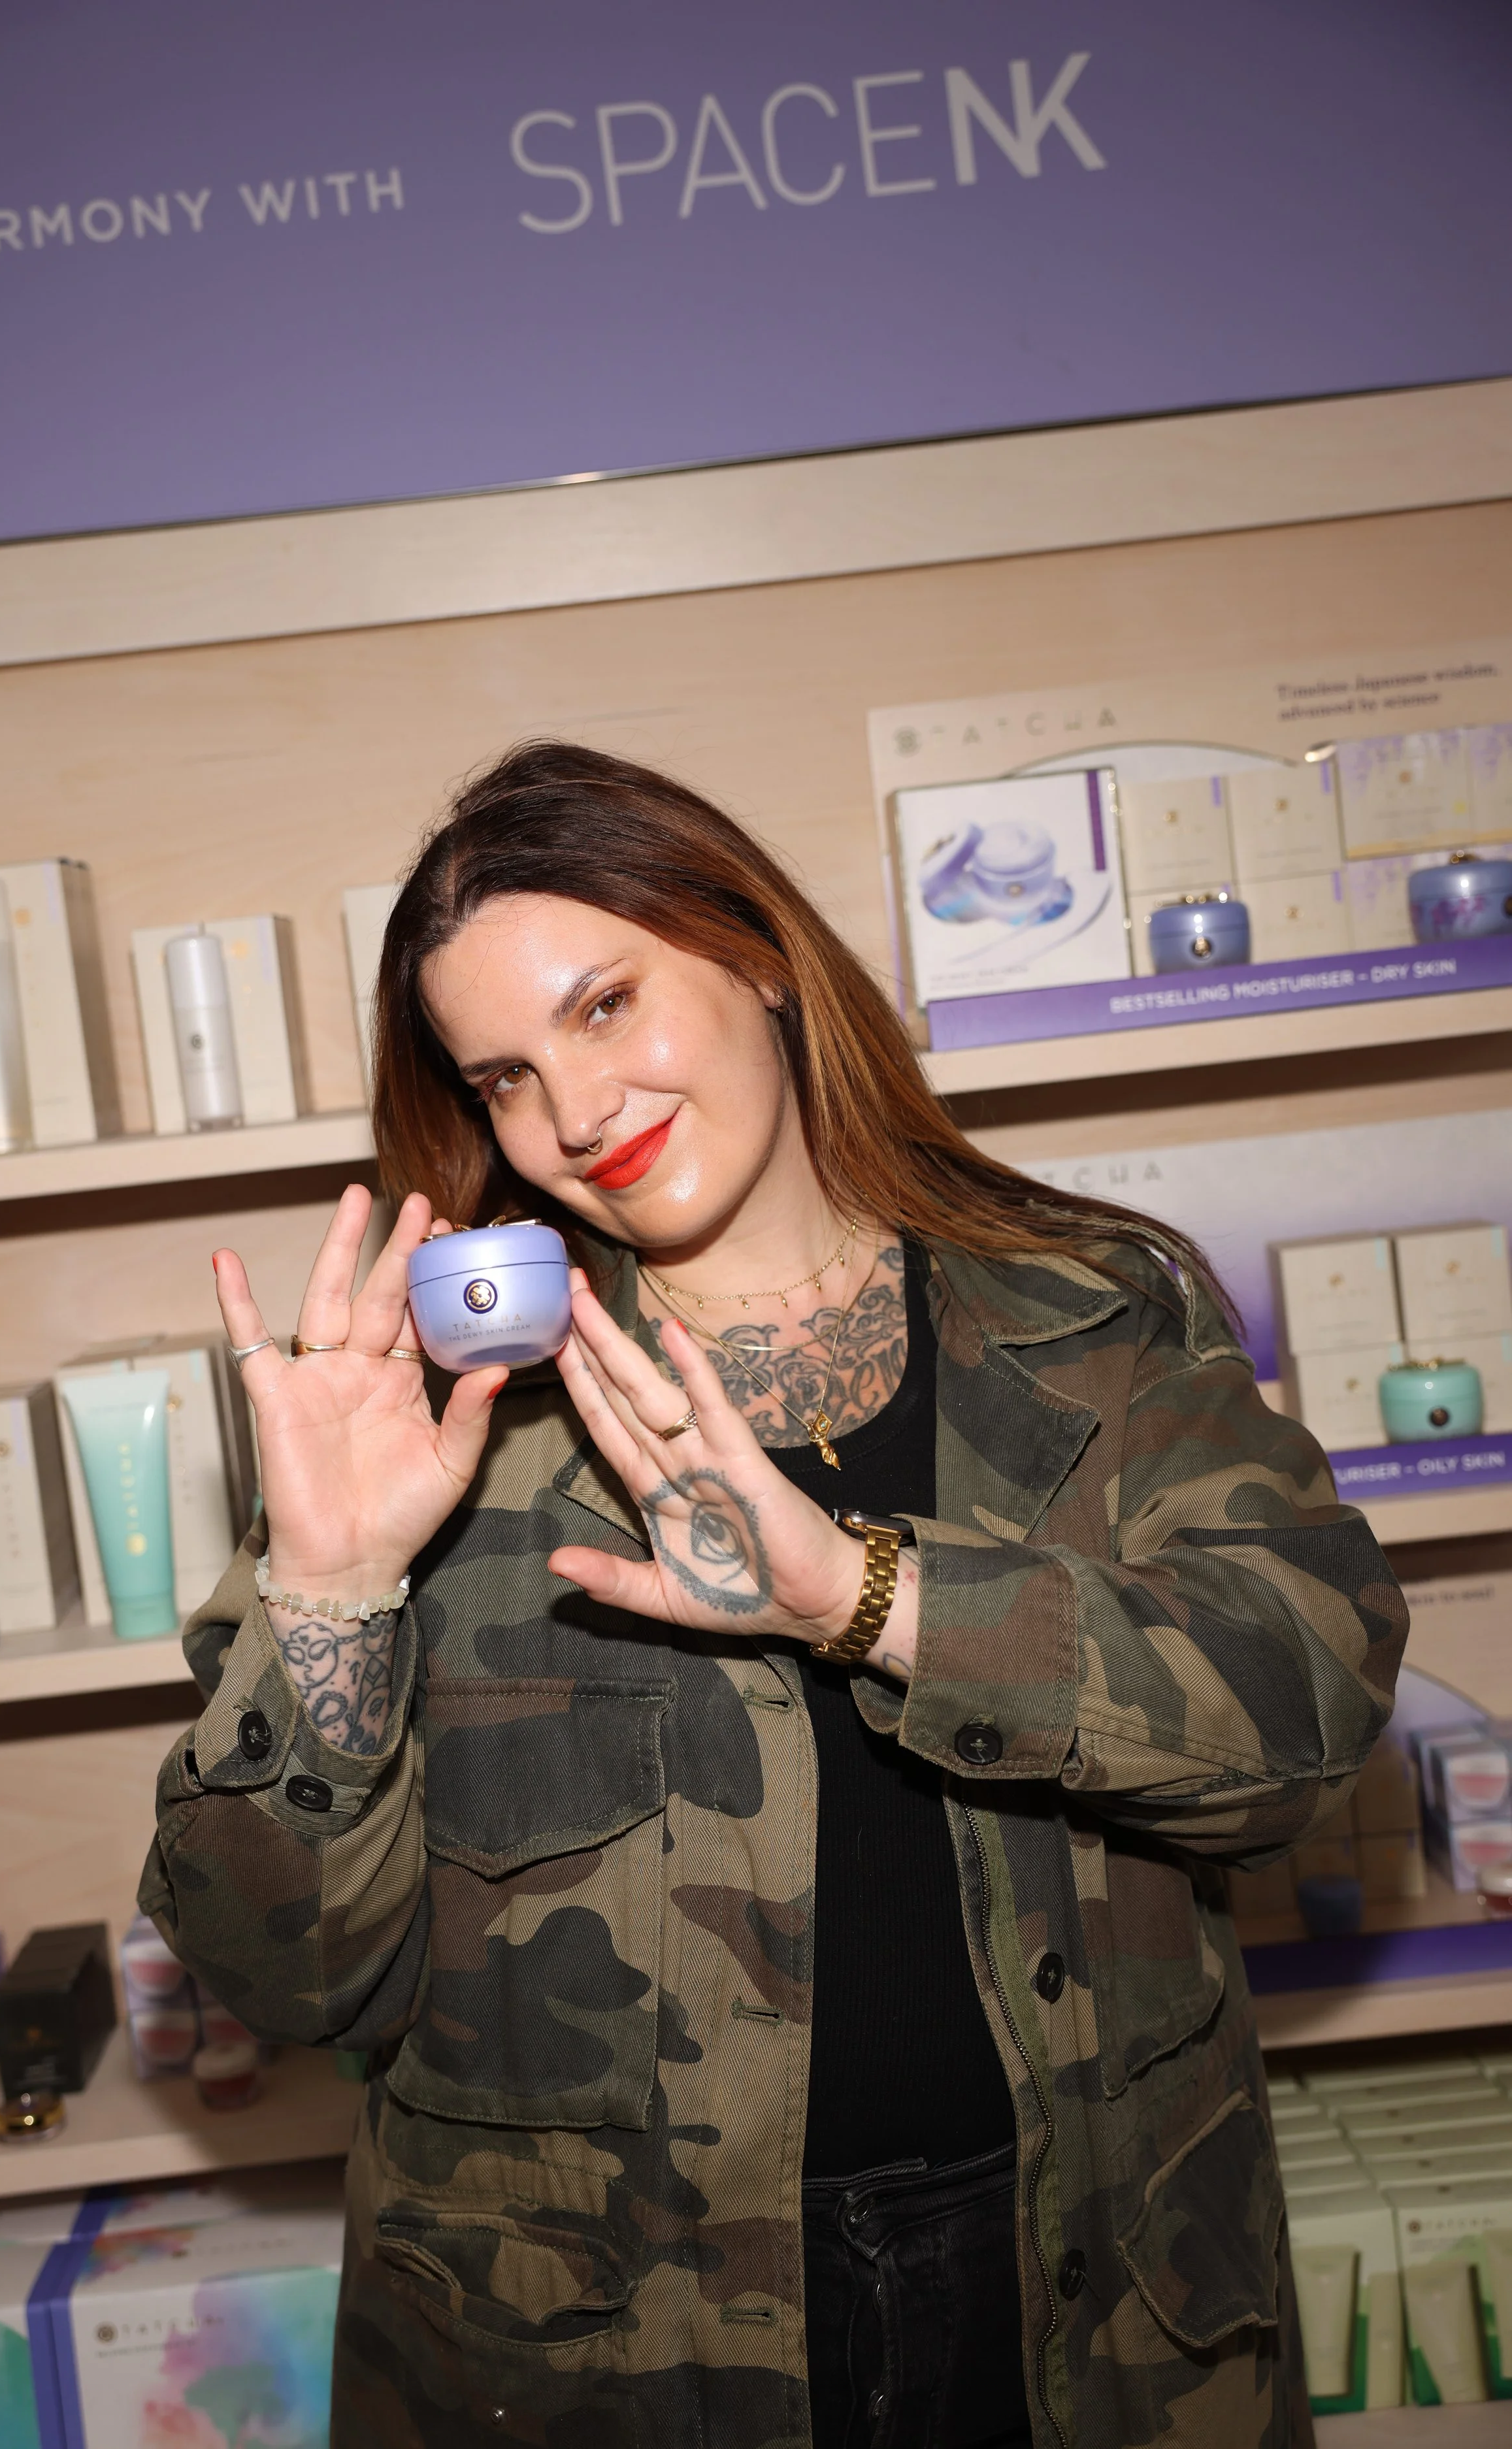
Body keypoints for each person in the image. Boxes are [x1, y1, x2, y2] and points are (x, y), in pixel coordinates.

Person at [142, 742, 1405, 2449]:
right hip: (599, 2362)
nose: (573, 1113)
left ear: (752, 952)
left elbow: (1311, 1710)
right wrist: (334, 1586)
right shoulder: (442, 1414)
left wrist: (868, 1594)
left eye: (605, 1005)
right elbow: (280, 1973)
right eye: (505, 1074)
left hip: (1097, 2311)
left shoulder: (1094, 1315)